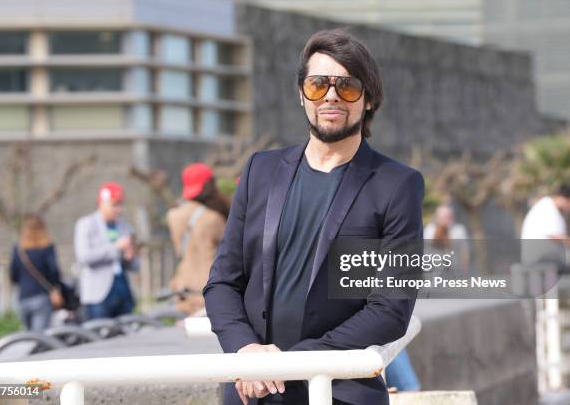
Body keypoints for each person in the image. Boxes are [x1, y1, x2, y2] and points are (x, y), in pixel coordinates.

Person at [204, 29, 424, 405]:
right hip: (252, 391)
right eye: (318, 84)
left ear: (369, 99)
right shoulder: (261, 169)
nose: (332, 96)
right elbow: (223, 283)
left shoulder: (397, 185)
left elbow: (391, 308)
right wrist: (245, 351)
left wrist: (295, 362)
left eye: (348, 86)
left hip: (339, 390)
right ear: (301, 95)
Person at [166, 163, 228, 315]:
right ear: (209, 186)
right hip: (209, 289)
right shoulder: (213, 218)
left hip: (183, 288)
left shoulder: (172, 215)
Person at [74, 182, 139, 320]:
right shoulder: (86, 224)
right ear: (102, 204)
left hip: (123, 291)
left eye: (121, 204)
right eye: (114, 204)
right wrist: (116, 248)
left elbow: (134, 265)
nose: (119, 209)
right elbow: (84, 257)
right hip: (98, 295)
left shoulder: (125, 227)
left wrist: (130, 257)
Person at [10, 214, 63, 333]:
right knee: (39, 338)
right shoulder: (47, 247)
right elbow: (53, 271)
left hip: (23, 297)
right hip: (41, 296)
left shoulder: (18, 248)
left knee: (30, 336)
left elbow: (13, 274)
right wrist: (55, 288)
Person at [521, 184, 570, 273]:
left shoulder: (549, 207)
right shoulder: (548, 208)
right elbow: (556, 236)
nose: (569, 208)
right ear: (563, 199)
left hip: (540, 253)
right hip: (539, 255)